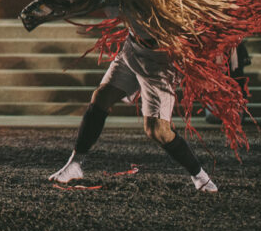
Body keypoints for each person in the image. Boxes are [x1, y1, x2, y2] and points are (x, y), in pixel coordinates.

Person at [48, 26, 218, 192]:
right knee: (101, 98)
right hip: (133, 48)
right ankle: (75, 164)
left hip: (160, 59)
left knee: (158, 131)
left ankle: (199, 175)